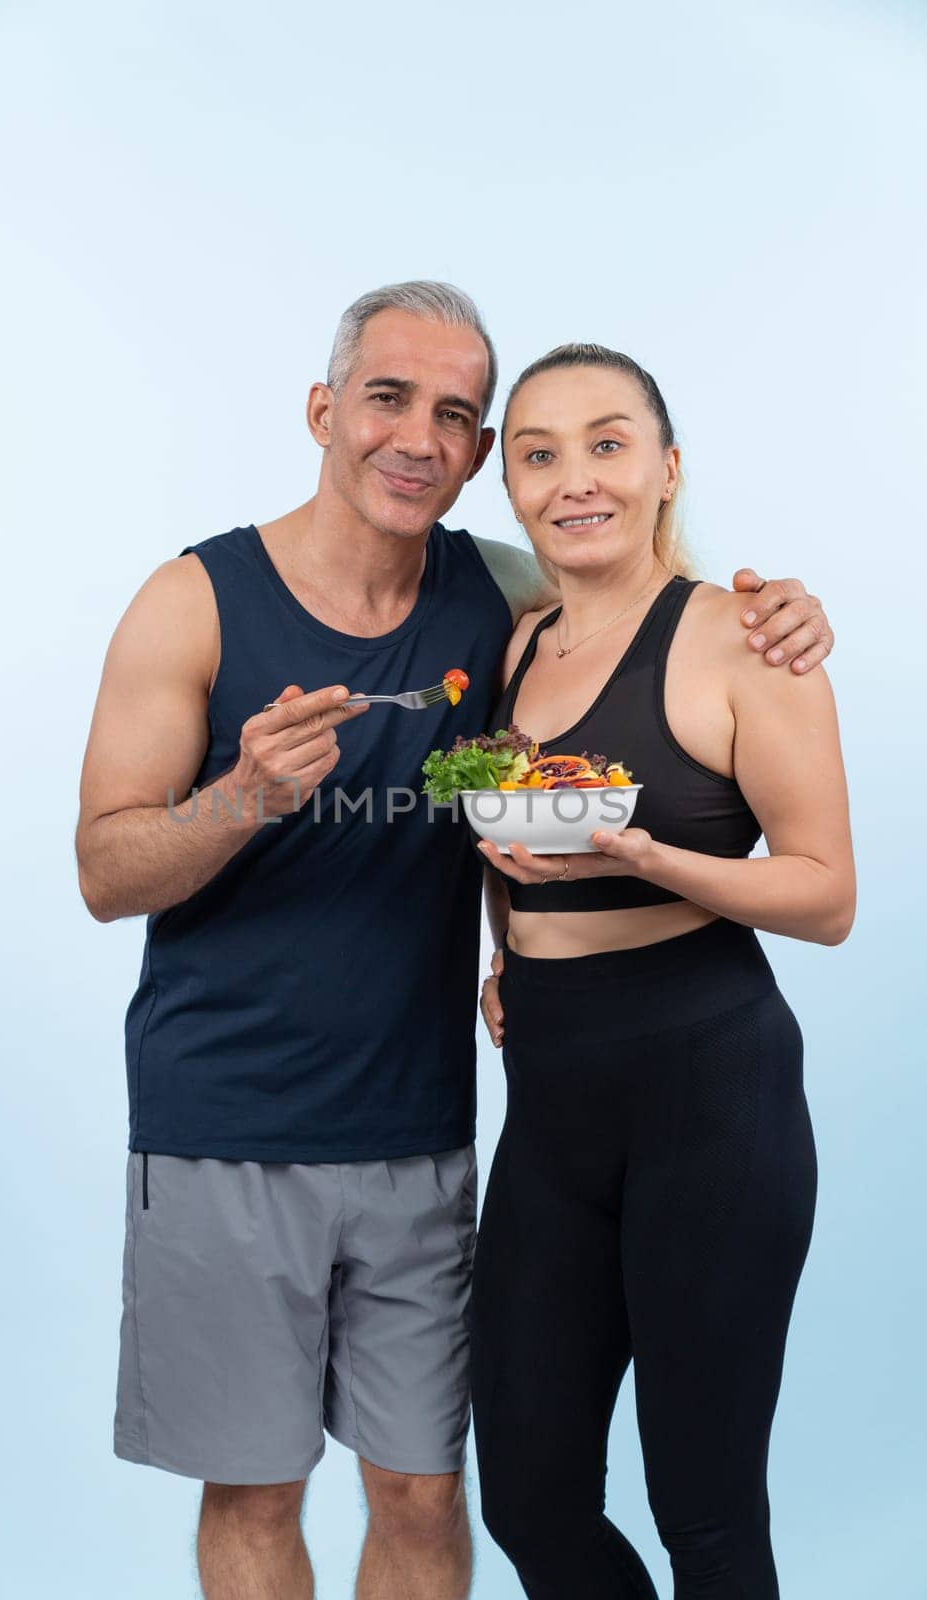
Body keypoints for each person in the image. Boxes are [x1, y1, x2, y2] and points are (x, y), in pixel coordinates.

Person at [75, 283, 835, 1600]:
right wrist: (247, 793)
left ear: (476, 453)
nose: (418, 437)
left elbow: (636, 592)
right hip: (223, 1123)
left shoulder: (496, 596)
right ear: (323, 409)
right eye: (385, 397)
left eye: (456, 417)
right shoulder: (192, 601)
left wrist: (786, 612)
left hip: (429, 1132)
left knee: (432, 1495)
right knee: (270, 1492)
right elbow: (102, 871)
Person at [471, 341, 854, 1599]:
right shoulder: (515, 642)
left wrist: (646, 857)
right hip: (553, 1098)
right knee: (528, 1496)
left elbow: (824, 892)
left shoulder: (744, 636)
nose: (572, 477)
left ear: (665, 467)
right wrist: (505, 943)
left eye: (606, 441)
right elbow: (499, 825)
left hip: (709, 1090)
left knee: (705, 1515)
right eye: (537, 453)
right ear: (508, 485)